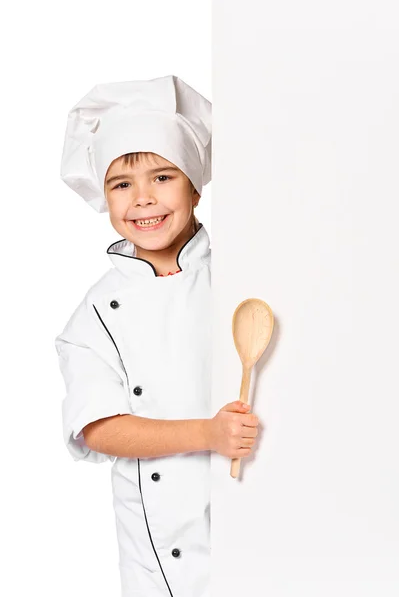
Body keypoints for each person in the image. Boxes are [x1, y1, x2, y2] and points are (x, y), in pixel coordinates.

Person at [54, 74, 259, 597]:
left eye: (163, 177)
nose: (143, 199)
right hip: (159, 553)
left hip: (259, 511)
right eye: (122, 184)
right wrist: (208, 435)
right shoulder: (96, 313)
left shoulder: (243, 277)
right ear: (103, 197)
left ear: (194, 183)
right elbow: (99, 430)